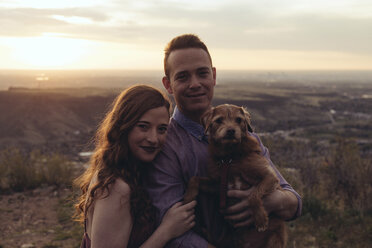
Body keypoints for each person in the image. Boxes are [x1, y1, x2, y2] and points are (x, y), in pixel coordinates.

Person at [145, 34, 302, 247]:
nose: (195, 84)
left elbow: (293, 203)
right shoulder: (165, 145)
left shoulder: (246, 137)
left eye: (202, 73)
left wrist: (272, 201)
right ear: (168, 85)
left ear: (214, 76)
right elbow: (172, 231)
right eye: (182, 77)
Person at [75, 85, 197, 248]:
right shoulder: (116, 188)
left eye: (162, 129)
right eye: (143, 126)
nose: (154, 139)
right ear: (123, 126)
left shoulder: (127, 171)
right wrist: (166, 231)